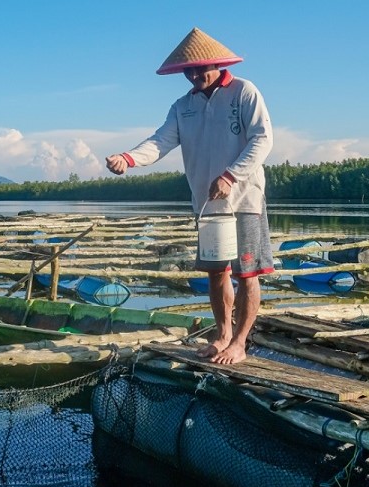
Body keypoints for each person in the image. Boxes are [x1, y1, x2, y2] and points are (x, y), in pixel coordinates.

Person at [106, 27, 274, 365]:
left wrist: (231, 175)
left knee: (247, 274)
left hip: (244, 200)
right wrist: (128, 158)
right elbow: (159, 142)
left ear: (217, 64)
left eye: (202, 68)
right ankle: (222, 335)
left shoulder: (243, 92)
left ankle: (240, 342)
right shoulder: (183, 106)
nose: (195, 75)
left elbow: (262, 139)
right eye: (189, 70)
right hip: (208, 204)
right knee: (216, 272)